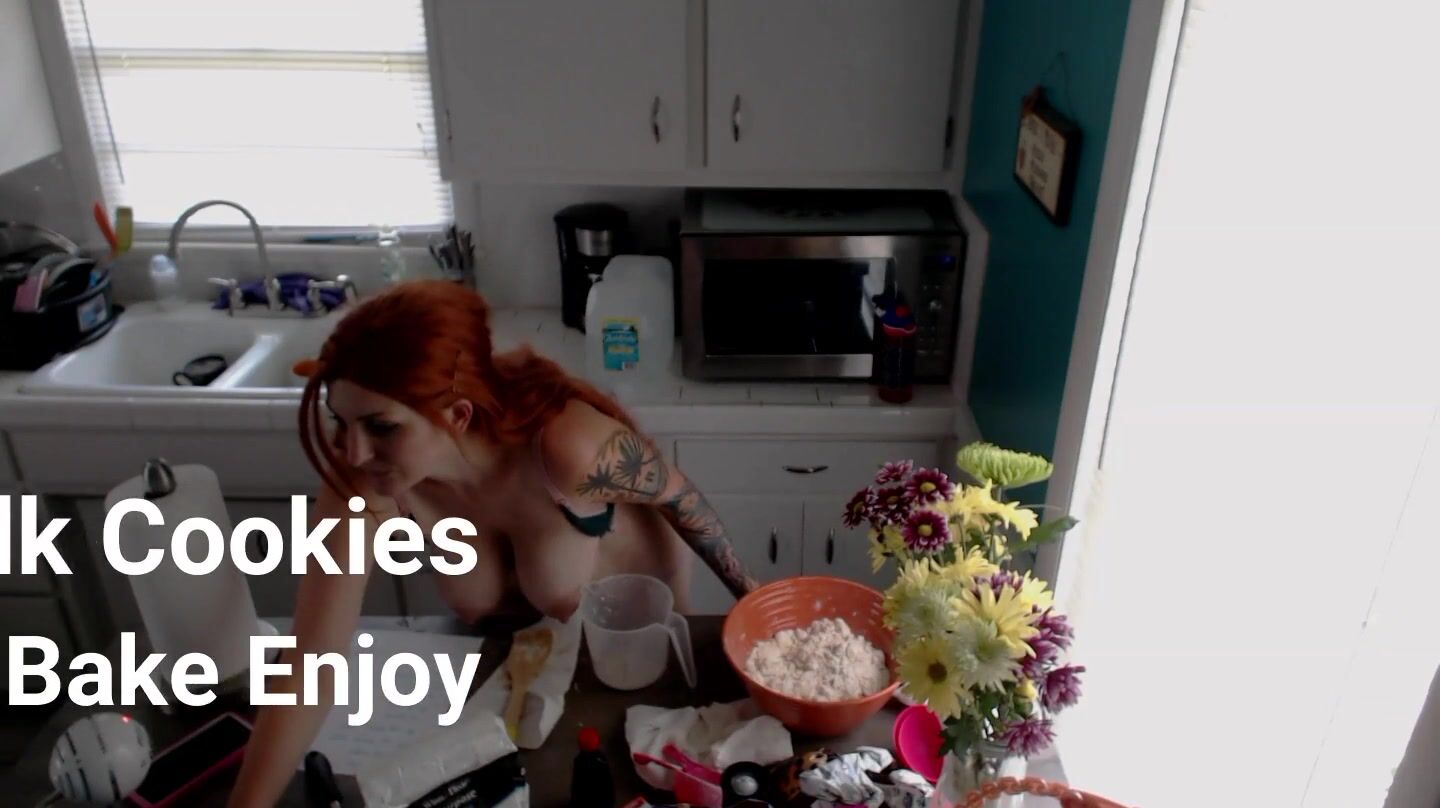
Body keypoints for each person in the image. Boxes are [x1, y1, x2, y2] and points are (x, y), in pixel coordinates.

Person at [227, 280, 757, 806]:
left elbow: (681, 501)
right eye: (340, 422)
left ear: (457, 415)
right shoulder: (365, 481)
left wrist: (750, 600)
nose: (355, 452)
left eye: (382, 427)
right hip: (504, 691)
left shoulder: (570, 447)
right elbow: (310, 661)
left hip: (625, 675)